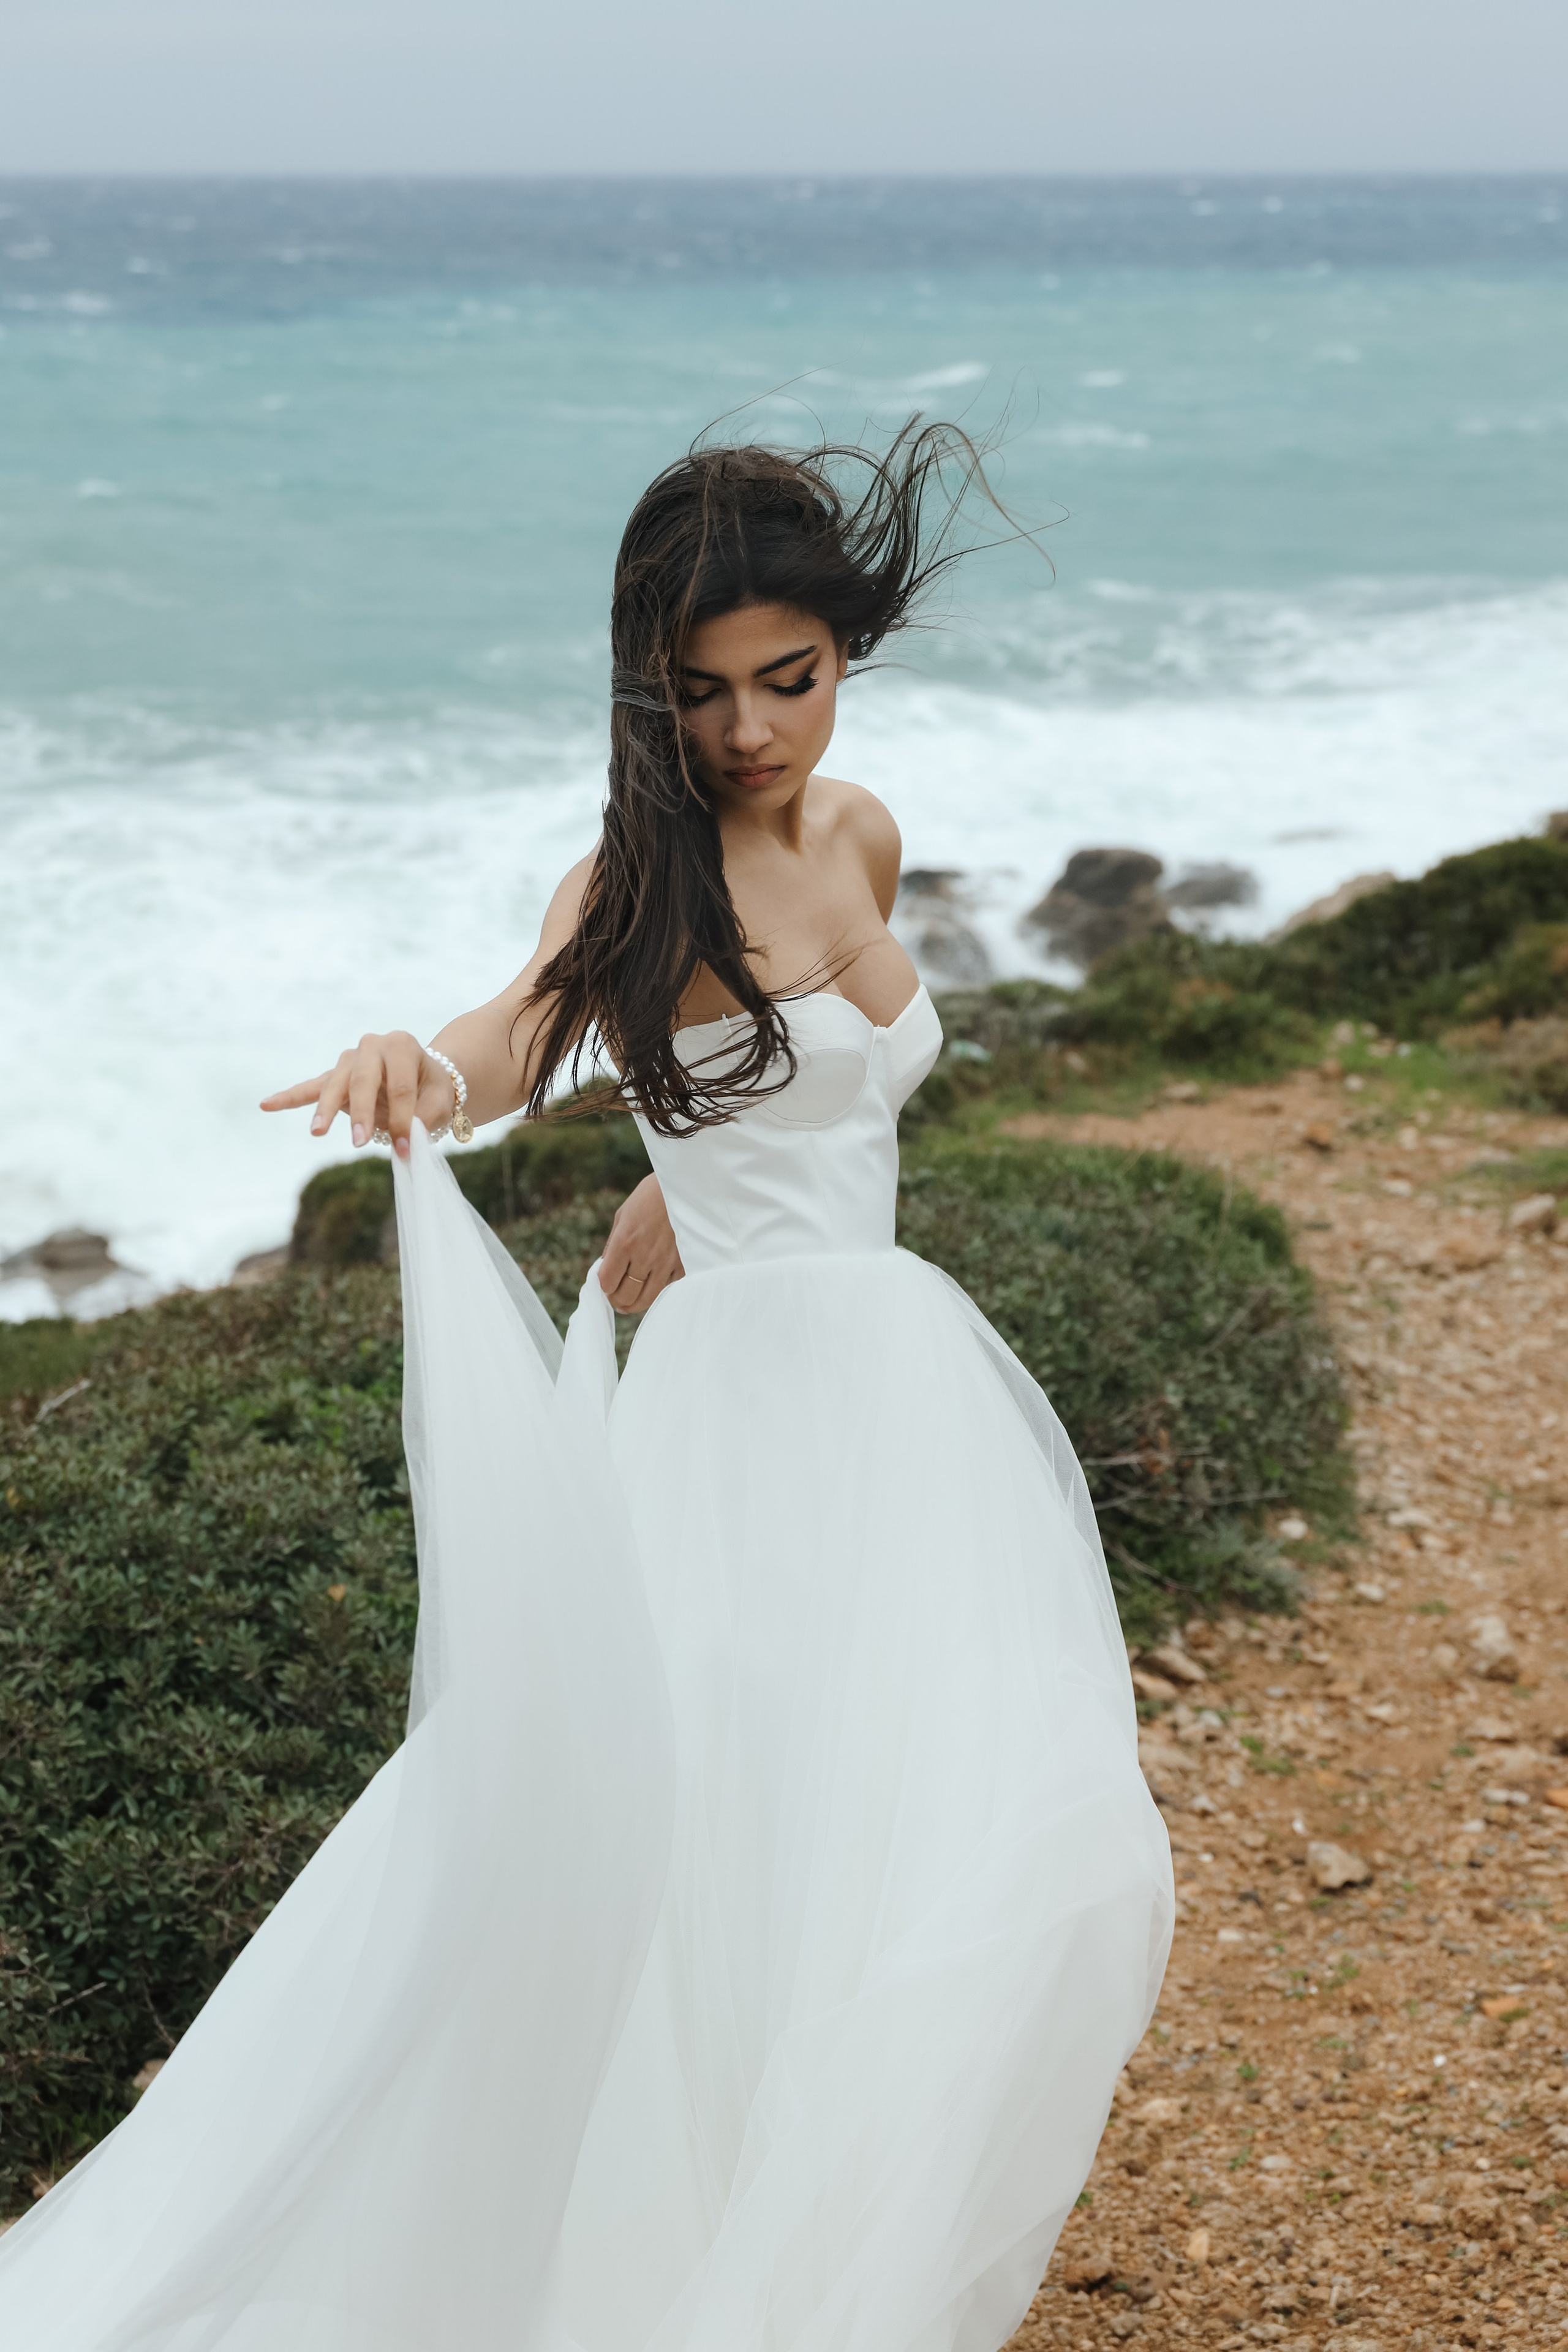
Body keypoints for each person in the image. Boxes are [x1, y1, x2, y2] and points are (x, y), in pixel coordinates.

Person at [0, 429, 1172, 2352]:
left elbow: (838, 1090)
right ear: (649, 690)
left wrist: (688, 1171)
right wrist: (420, 1072)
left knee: (963, 1835)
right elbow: (514, 1035)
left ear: (842, 654)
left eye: (787, 678)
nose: (749, 730)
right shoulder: (635, 881)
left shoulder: (862, 828)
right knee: (716, 1836)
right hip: (739, 1427)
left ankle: (819, 2271)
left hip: (900, 1388)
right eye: (699, 694)